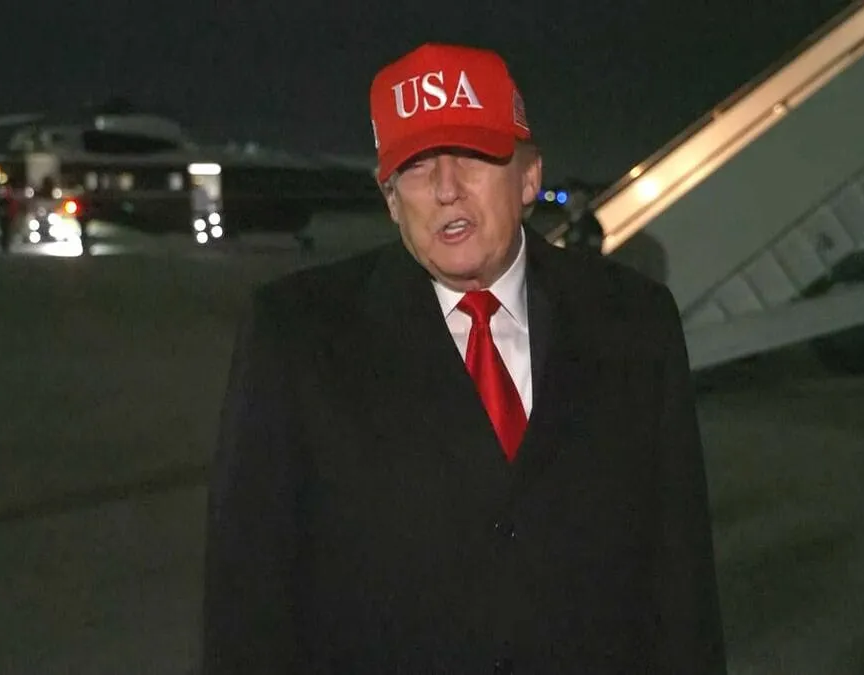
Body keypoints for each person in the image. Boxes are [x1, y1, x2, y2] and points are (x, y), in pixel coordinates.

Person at [200, 42, 725, 674]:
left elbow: (681, 579)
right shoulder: (295, 335)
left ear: (528, 176)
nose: (446, 189)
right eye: (417, 167)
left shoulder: (635, 322)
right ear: (391, 199)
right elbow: (247, 601)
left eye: (472, 155)